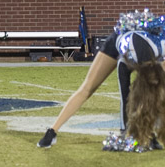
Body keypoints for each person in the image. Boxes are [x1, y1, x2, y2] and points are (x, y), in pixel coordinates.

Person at [37, 13, 165, 150]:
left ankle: (150, 135)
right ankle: (52, 131)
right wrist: (126, 133)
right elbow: (125, 93)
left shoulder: (160, 55)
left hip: (145, 48)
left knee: (156, 95)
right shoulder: (128, 55)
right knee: (88, 87)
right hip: (117, 43)